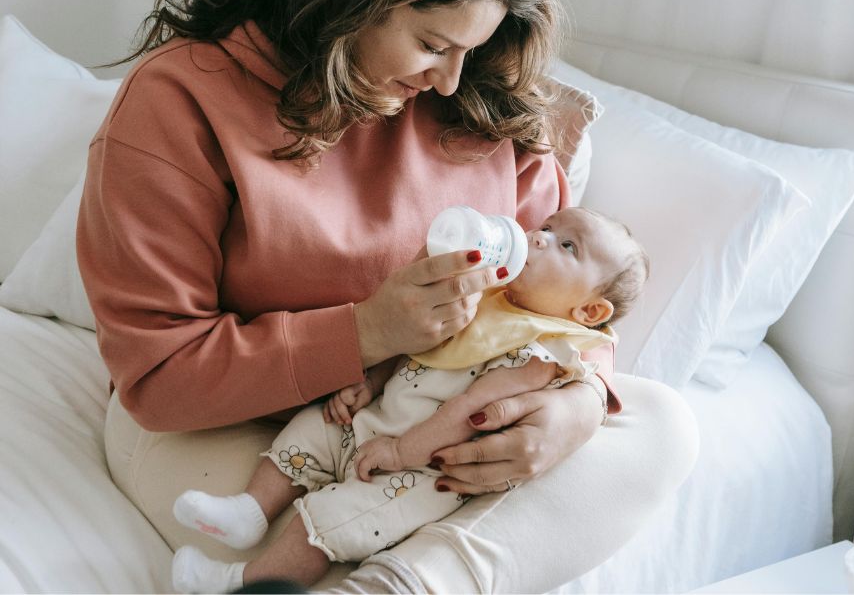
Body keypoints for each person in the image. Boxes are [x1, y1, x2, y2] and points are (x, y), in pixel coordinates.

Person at [77, 0, 699, 592]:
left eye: (468, 50)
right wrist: (367, 332)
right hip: (221, 422)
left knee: (661, 424)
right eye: (434, 44)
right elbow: (161, 376)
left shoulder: (477, 100)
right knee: (319, 528)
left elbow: (566, 312)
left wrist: (581, 402)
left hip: (419, 413)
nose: (449, 79)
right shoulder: (180, 101)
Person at [170, 207, 648, 593]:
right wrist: (370, 382)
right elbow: (416, 343)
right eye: (546, 227)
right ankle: (249, 512)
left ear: (587, 311)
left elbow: (468, 411)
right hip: (375, 421)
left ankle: (240, 583)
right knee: (312, 430)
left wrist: (401, 452)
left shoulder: (540, 351)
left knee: (326, 523)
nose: (539, 237)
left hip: (418, 470)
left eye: (567, 246)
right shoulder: (485, 293)